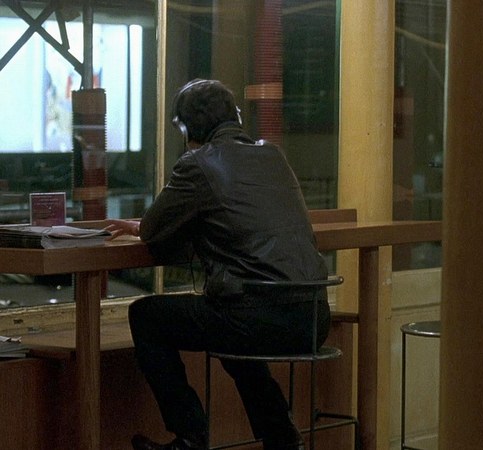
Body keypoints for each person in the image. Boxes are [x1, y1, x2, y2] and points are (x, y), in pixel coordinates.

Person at [105, 79, 328, 450]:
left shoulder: (197, 163)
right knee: (234, 328)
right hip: (313, 317)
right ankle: (282, 438)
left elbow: (154, 231)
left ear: (186, 129)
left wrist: (143, 226)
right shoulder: (273, 155)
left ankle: (190, 437)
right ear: (236, 117)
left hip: (257, 317)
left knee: (146, 315)